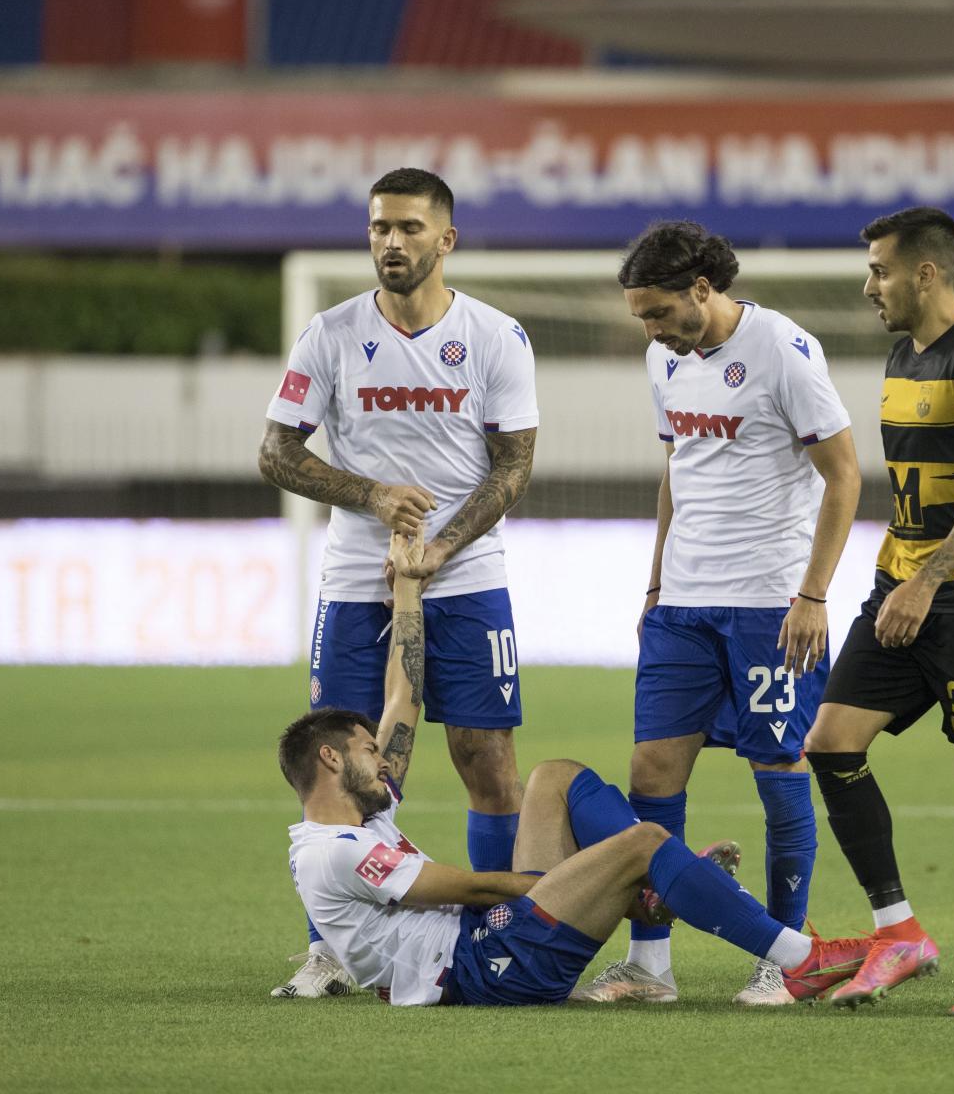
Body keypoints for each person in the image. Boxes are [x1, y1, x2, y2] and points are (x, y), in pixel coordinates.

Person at [281, 532, 865, 1007]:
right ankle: (798, 958)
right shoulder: (332, 852)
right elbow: (473, 887)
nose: (382, 758)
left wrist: (408, 589)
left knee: (554, 776)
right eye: (367, 750)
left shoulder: (362, 814)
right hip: (486, 971)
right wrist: (590, 883)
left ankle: (669, 883)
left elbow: (403, 694)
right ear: (329, 758)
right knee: (644, 843)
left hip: (488, 942)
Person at [259, 168, 538, 997]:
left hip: (465, 575)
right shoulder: (330, 333)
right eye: (381, 227)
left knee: (485, 756)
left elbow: (514, 466)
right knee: (334, 758)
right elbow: (276, 452)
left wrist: (441, 547)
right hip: (354, 576)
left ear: (445, 239)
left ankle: (495, 930)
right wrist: (373, 495)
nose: (392, 242)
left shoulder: (495, 337)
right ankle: (330, 950)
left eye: (411, 228)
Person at [573, 222, 862, 1006]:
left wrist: (811, 595)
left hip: (769, 604)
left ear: (703, 289)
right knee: (650, 775)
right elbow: (678, 469)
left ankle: (782, 961)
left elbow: (844, 476)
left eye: (660, 312)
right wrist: (656, 585)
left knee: (778, 769)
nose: (651, 329)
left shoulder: (785, 351)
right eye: (642, 317)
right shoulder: (662, 359)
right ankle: (651, 965)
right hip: (683, 609)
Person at [802, 207, 954, 1017]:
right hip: (901, 584)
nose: (869, 284)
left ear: (927, 273)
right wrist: (904, 578)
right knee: (831, 745)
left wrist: (928, 580)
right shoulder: (905, 357)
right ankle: (898, 929)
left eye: (879, 269)